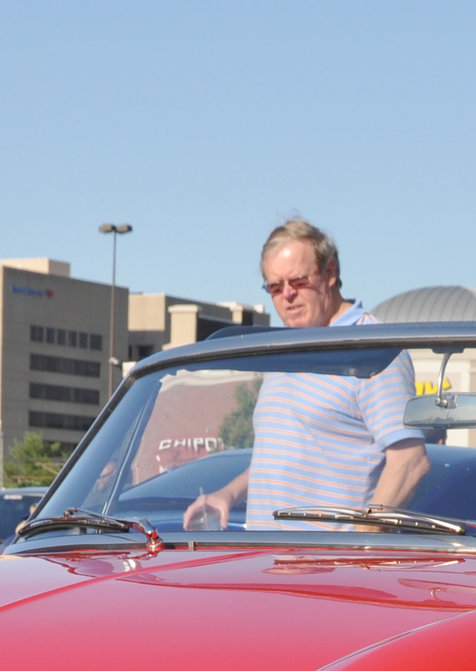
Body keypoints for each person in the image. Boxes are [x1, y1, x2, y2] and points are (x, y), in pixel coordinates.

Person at [182, 218, 426, 531]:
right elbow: (283, 454)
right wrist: (227, 495)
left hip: (330, 569)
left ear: (331, 273)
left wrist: (362, 540)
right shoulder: (288, 348)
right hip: (263, 563)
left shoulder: (373, 348)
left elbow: (410, 462)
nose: (287, 295)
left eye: (298, 282)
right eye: (275, 287)